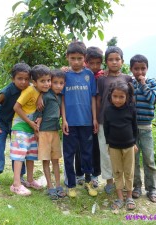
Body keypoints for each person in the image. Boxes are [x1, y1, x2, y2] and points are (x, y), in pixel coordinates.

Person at [0, 63, 30, 185]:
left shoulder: (30, 89)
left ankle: (19, 177)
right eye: (19, 78)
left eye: (26, 79)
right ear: (13, 79)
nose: (23, 82)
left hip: (18, 124)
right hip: (2, 123)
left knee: (19, 148)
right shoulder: (7, 91)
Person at [61, 41, 98, 197]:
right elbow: (62, 99)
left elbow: (93, 98)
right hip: (70, 123)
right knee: (69, 154)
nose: (76, 62)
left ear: (84, 59)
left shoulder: (89, 75)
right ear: (67, 57)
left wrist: (94, 119)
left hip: (87, 122)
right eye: (73, 58)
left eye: (79, 58)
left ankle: (89, 182)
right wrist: (64, 120)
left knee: (87, 153)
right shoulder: (63, 75)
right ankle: (71, 184)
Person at [10, 64, 51, 196]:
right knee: (19, 154)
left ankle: (30, 180)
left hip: (31, 127)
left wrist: (35, 125)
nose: (46, 84)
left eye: (48, 80)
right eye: (43, 81)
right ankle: (16, 184)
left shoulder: (43, 92)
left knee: (31, 154)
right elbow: (16, 107)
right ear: (35, 82)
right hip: (20, 126)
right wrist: (30, 123)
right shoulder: (29, 90)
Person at [96, 46, 132, 194]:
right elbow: (98, 100)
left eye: (117, 59)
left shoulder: (127, 79)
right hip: (104, 122)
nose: (114, 62)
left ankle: (122, 182)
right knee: (105, 152)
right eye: (110, 59)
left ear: (122, 61)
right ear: (106, 62)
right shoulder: (102, 79)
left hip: (122, 123)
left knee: (122, 153)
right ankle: (109, 181)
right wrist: (96, 119)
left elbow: (130, 102)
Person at [130, 54, 156, 203]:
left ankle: (151, 189)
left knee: (149, 159)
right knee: (133, 159)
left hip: (146, 128)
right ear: (131, 69)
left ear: (147, 68)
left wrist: (143, 84)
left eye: (143, 68)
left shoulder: (152, 83)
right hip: (132, 129)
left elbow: (152, 99)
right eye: (136, 69)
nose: (140, 72)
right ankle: (136, 187)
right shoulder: (130, 84)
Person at [104, 81, 138, 210]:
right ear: (110, 96)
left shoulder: (131, 109)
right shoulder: (108, 110)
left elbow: (135, 128)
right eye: (115, 96)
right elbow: (106, 129)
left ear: (127, 97)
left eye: (121, 97)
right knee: (117, 172)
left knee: (129, 172)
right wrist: (109, 144)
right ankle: (120, 198)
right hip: (113, 147)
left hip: (129, 146)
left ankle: (129, 196)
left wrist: (134, 142)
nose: (117, 100)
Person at [34, 69, 66, 200]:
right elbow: (38, 114)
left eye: (61, 83)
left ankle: (58, 185)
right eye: (55, 83)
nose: (58, 85)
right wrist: (37, 131)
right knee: (46, 160)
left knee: (56, 160)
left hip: (55, 132)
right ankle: (49, 186)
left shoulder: (60, 96)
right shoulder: (44, 96)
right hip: (43, 132)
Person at [75, 46, 103, 188]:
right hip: (81, 117)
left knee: (95, 148)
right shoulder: (79, 74)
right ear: (85, 61)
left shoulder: (102, 76)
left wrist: (96, 118)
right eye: (91, 63)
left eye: (98, 63)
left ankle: (94, 175)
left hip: (97, 118)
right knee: (80, 147)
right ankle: (79, 174)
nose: (94, 66)